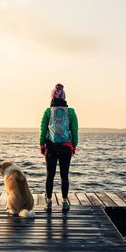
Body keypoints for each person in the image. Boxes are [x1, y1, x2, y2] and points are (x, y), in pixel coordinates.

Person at [39, 83, 78, 212]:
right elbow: (74, 130)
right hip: (66, 147)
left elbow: (43, 128)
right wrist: (74, 145)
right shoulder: (71, 112)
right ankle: (65, 203)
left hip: (51, 146)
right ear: (64, 97)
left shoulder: (47, 111)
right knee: (64, 175)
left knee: (50, 175)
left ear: (52, 97)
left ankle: (49, 202)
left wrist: (41, 144)